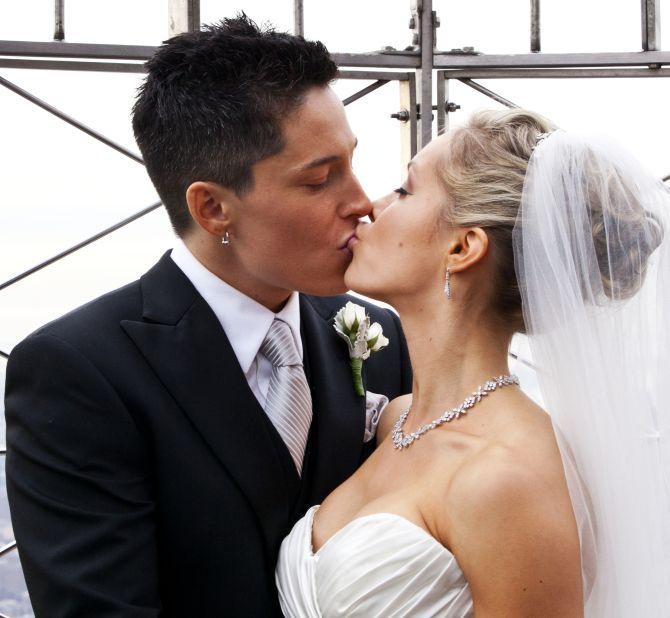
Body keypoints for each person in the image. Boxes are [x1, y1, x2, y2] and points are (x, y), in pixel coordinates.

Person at [4, 16, 411, 617]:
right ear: (213, 206)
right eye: (321, 179)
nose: (361, 202)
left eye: (352, 164)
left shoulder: (379, 337)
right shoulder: (78, 370)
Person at [276, 109, 670, 616]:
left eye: (405, 189)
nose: (370, 207)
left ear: (463, 247)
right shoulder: (396, 421)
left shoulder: (510, 474)